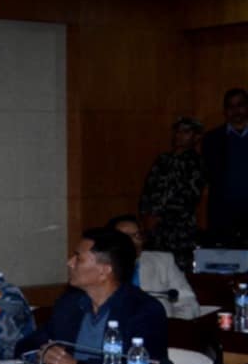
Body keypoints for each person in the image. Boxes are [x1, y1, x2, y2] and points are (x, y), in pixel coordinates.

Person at [19, 227, 172, 364]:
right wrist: (43, 355)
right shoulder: (70, 304)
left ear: (104, 271)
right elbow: (25, 346)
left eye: (78, 258)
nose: (69, 263)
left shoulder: (143, 310)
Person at [138, 115, 205, 270]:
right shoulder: (163, 159)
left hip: (179, 229)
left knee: (177, 269)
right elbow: (148, 189)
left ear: (196, 137)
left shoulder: (196, 163)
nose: (179, 135)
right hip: (154, 229)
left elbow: (189, 197)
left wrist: (160, 216)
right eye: (177, 131)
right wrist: (146, 215)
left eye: (186, 132)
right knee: (153, 267)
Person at [106, 214, 199, 319]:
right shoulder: (101, 268)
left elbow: (188, 302)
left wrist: (171, 325)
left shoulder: (163, 261)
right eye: (125, 237)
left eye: (137, 235)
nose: (133, 241)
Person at [201, 88, 248, 246]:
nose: (236, 111)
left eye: (240, 105)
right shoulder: (212, 139)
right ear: (225, 111)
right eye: (231, 106)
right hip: (223, 213)